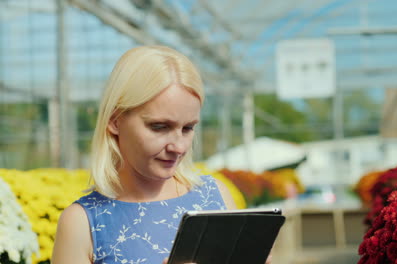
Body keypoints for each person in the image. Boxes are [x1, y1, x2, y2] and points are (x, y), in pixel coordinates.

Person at [51, 46, 271, 264]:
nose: (178, 147)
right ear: (115, 120)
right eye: (159, 127)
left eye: (188, 128)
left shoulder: (215, 198)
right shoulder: (82, 224)